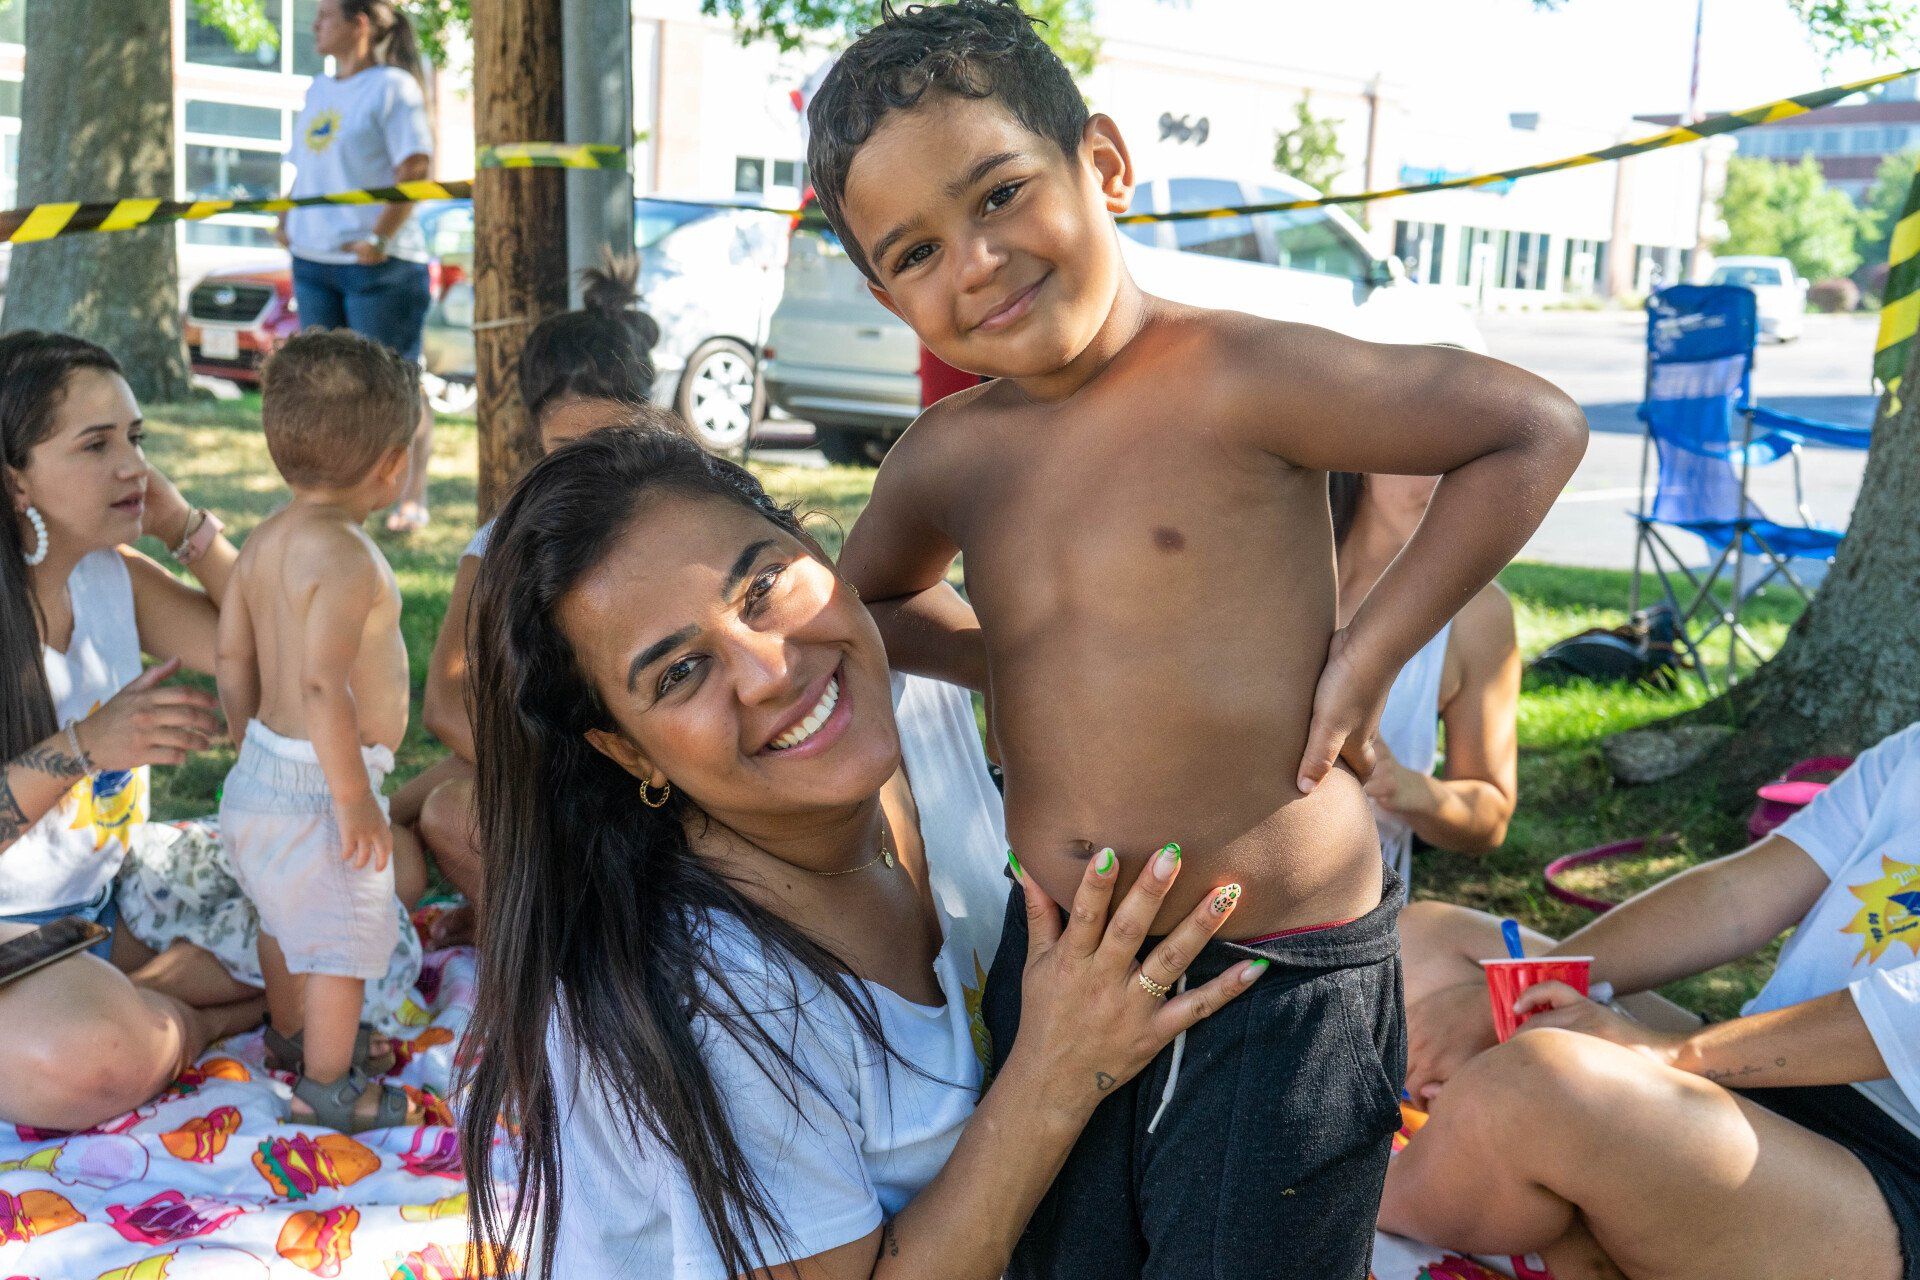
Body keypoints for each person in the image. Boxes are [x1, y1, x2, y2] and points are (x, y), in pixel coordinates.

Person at [813, 3, 1586, 1273]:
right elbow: (872, 612)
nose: (976, 259)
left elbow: (1533, 429)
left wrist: (1370, 650)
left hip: (1275, 979)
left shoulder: (1235, 373)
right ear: (882, 287)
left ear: (1103, 164)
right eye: (914, 250)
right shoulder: (950, 456)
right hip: (1062, 959)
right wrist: (1006, 656)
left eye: (1002, 193)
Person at [459, 427, 1266, 1280]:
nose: (770, 670)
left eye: (764, 586)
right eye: (680, 673)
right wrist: (1058, 1074)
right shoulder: (712, 991)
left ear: (818, 550)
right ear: (629, 753)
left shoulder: (911, 716)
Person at [1381, 726, 1920, 1280]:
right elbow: (1736, 897)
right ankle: (1574, 1228)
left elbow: (1904, 1021)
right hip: (1760, 1079)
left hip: (1891, 1174)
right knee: (1424, 944)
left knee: (1539, 1078)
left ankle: (1355, 1199)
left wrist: (1666, 1054)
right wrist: (1518, 990)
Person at [0, 331, 263, 1131]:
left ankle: (145, 989)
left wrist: (185, 526)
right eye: (96, 444)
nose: (132, 467)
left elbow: (269, 644)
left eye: (137, 439)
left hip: (105, 905)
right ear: (17, 483)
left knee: (355, 909)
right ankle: (196, 1020)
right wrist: (85, 748)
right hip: (14, 939)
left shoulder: (111, 575)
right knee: (94, 1059)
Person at [393, 261, 670, 946]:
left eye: (614, 445)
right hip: (554, 757)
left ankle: (540, 946)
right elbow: (444, 705)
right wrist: (548, 770)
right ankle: (505, 922)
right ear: (534, 439)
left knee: (449, 810)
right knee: (382, 817)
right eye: (567, 453)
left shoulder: (683, 527)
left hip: (655, 778)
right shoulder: (504, 541)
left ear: (653, 422)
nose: (592, 474)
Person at [215, 329, 427, 1132]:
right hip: (320, 788)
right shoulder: (347, 556)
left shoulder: (263, 541)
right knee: (341, 939)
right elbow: (321, 681)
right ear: (391, 465)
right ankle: (329, 1089)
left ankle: (296, 1037)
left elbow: (233, 656)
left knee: (282, 919)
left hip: (263, 776)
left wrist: (249, 750)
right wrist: (355, 801)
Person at [278, 0, 437, 533]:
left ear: (359, 25)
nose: (315, 24)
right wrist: (287, 217)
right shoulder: (317, 91)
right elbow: (306, 167)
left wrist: (380, 236)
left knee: (394, 389)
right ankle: (336, 498)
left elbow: (415, 169)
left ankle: (409, 498)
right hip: (314, 262)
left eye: (325, 14)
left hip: (380, 268)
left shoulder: (394, 88)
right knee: (324, 388)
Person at [1330, 471, 1521, 891]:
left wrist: (1402, 785)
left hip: (1351, 923)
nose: (1449, 486)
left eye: (1471, 462)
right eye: (1433, 456)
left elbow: (1490, 819)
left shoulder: (1477, 614)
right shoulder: (1260, 572)